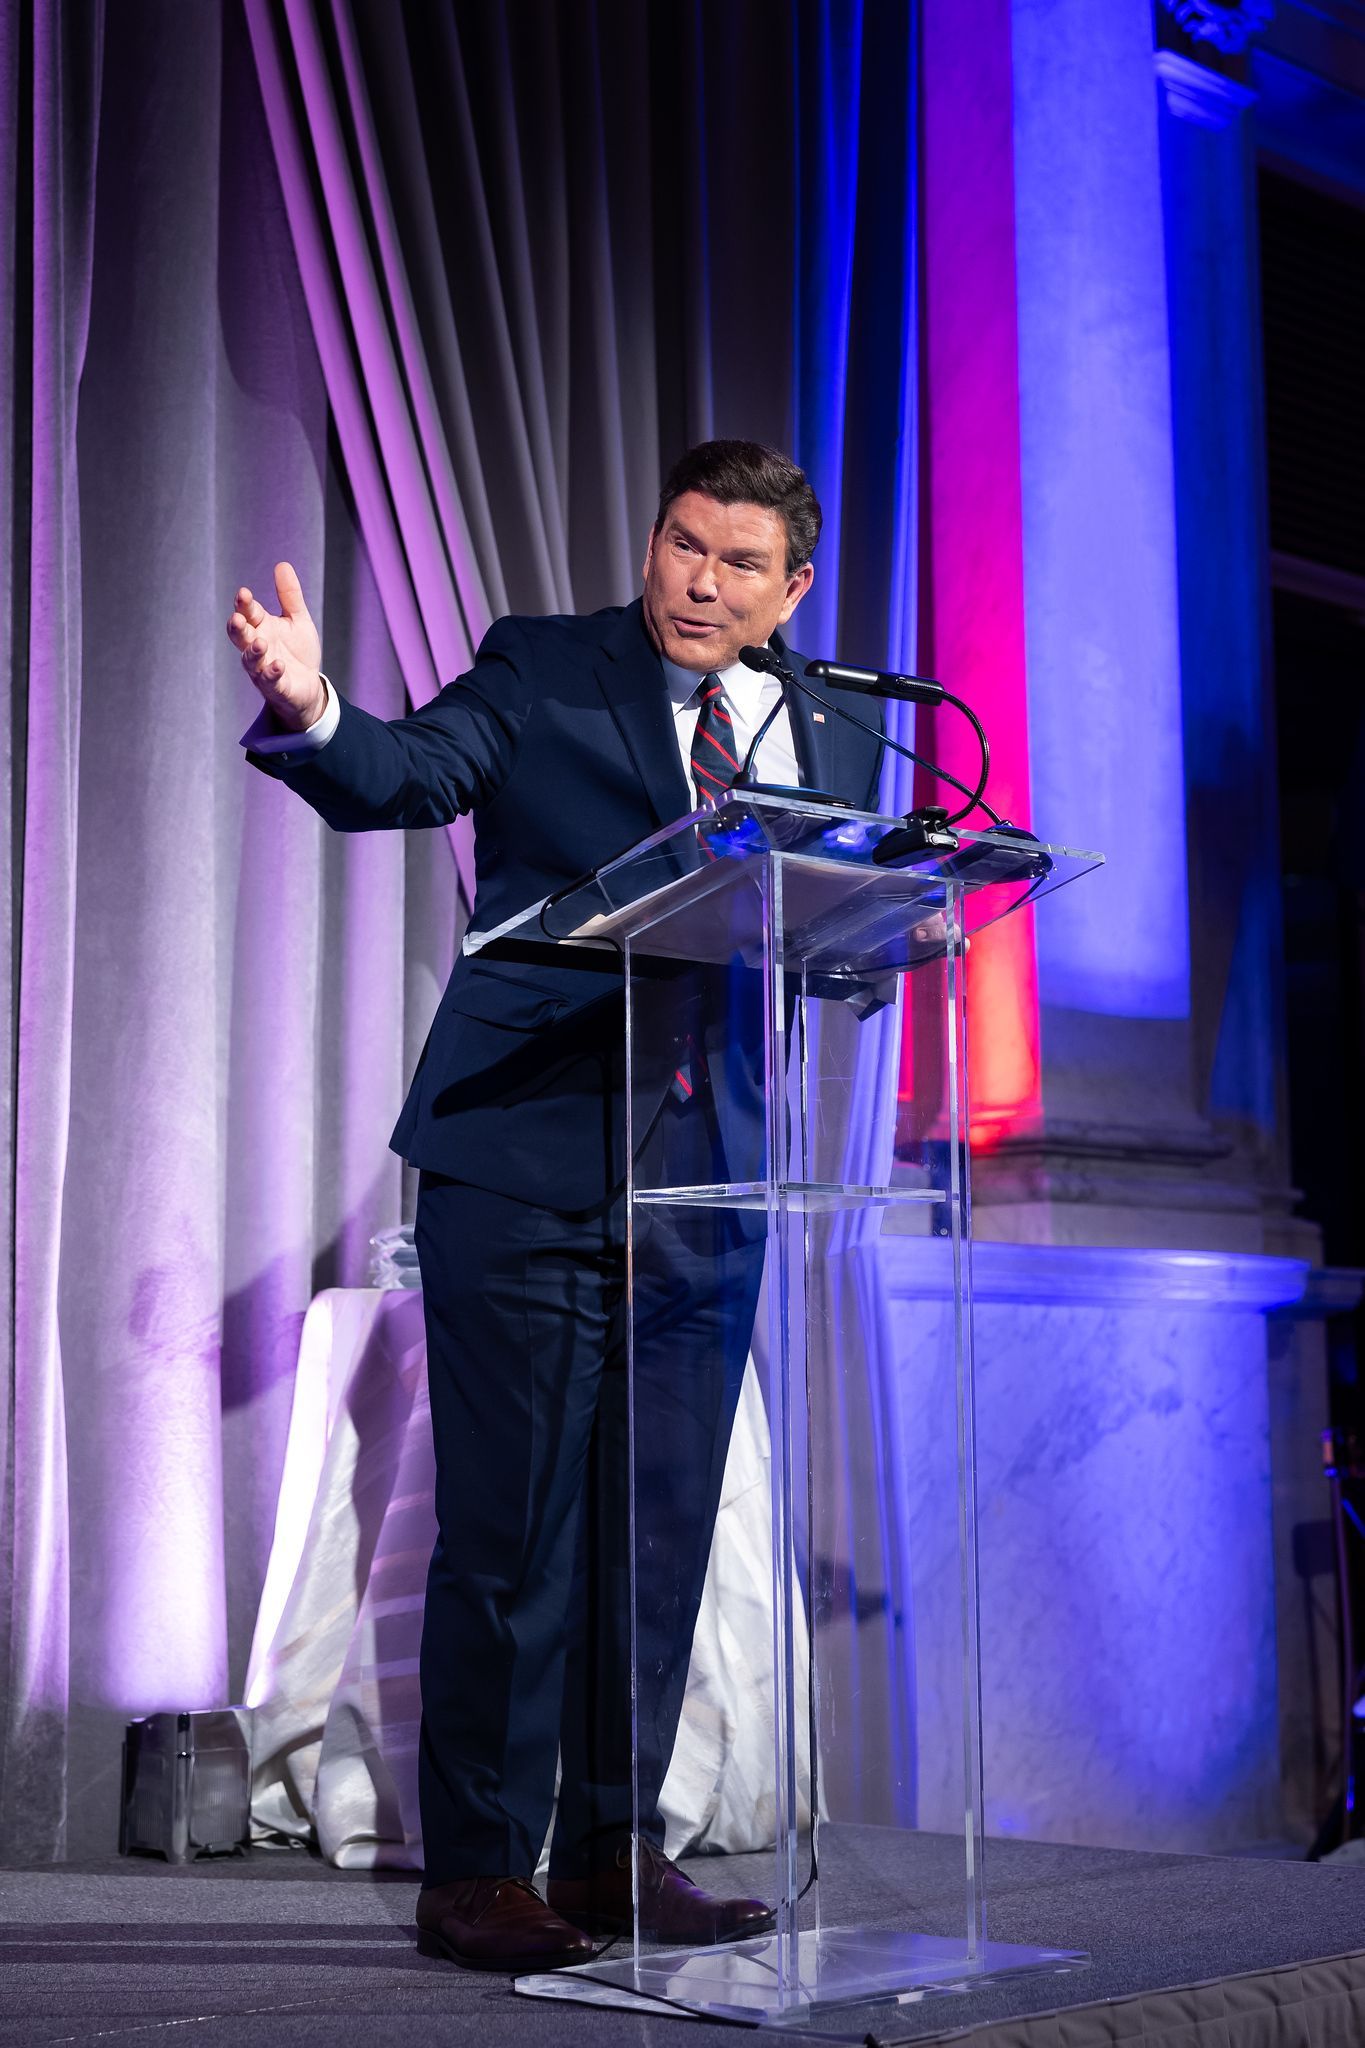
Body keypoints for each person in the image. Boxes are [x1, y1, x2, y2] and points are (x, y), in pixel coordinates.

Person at [228, 440, 883, 1971]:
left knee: (651, 1540)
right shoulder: (545, 667)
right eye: (679, 544)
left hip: (707, 1183)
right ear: (651, 542)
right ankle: (477, 1869)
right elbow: (407, 772)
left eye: (735, 565)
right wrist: (311, 708)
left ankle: (612, 1856)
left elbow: (829, 923)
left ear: (791, 592)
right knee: (513, 1534)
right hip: (522, 1162)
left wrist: (881, 942)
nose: (696, 582)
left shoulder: (837, 726)